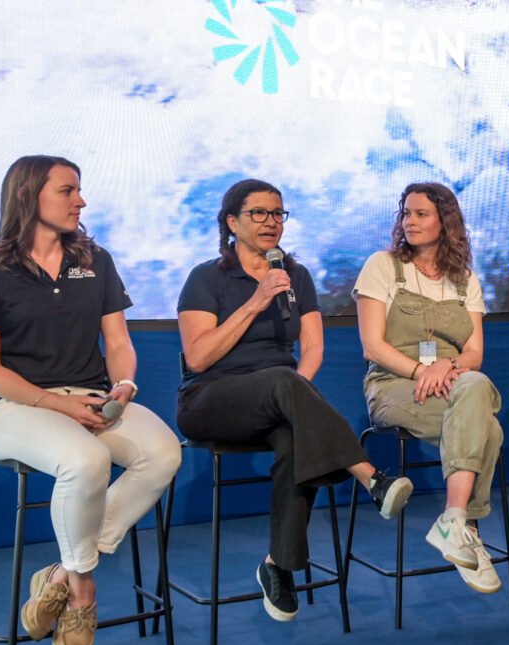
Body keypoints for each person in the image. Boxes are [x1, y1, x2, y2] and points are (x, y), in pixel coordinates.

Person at [0, 156, 181, 645]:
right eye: (68, 190)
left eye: (79, 190)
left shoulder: (95, 260)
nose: (80, 200)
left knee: (164, 453)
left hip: (90, 396)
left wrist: (122, 389)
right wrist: (62, 405)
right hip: (13, 408)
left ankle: (58, 573)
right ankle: (82, 592)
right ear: (26, 196)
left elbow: (119, 342)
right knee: (85, 461)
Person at [176, 179, 412, 622]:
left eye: (278, 213)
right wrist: (256, 300)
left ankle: (278, 565)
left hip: (279, 397)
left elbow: (315, 349)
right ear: (232, 221)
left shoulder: (296, 276)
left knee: (295, 436)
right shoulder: (206, 277)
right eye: (259, 213)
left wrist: (294, 394)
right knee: (285, 381)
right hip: (210, 399)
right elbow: (199, 355)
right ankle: (370, 478)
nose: (271, 223)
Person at [354, 183, 505, 594]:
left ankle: (454, 522)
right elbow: (372, 345)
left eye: (421, 213)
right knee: (488, 427)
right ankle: (466, 528)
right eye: (406, 213)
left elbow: (474, 352)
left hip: (454, 382)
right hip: (394, 385)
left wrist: (447, 365)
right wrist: (422, 372)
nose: (410, 221)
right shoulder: (382, 266)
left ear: (446, 221)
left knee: (474, 385)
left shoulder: (465, 280)